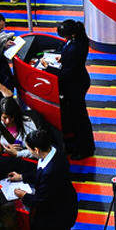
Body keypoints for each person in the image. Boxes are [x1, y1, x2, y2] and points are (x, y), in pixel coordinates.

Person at [7, 130, 78, 230]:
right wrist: (21, 177)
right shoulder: (53, 151)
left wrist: (23, 195)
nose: (29, 152)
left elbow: (40, 200)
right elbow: (40, 172)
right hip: (65, 203)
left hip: (57, 214)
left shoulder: (49, 172)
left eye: (29, 149)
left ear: (36, 150)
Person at [48, 20, 95, 159]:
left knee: (80, 118)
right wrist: (63, 58)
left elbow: (67, 72)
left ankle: (85, 148)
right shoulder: (77, 40)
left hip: (75, 86)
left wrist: (49, 67)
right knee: (75, 116)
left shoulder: (76, 47)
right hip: (78, 81)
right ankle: (76, 142)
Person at [0, 96, 40, 180]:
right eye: (4, 118)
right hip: (5, 167)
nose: (8, 121)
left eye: (11, 117)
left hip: (26, 164)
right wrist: (5, 150)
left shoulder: (27, 123)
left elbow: (38, 151)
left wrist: (17, 153)